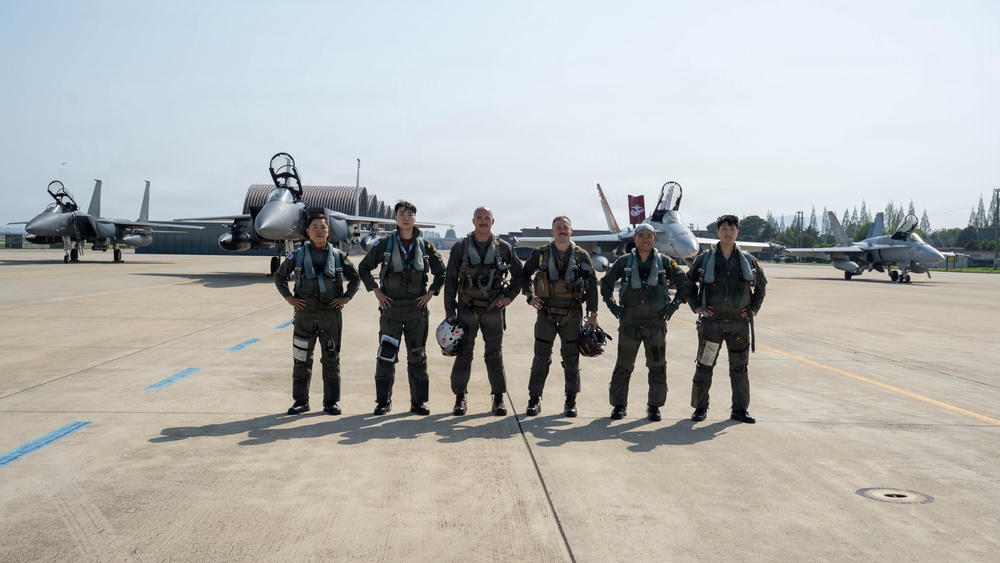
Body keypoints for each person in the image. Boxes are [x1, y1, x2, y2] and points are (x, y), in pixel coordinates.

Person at [358, 201, 446, 416]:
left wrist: (430, 293)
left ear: (415, 218)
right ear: (395, 218)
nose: (406, 217)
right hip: (391, 311)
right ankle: (383, 402)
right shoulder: (385, 244)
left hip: (416, 311)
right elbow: (364, 268)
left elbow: (441, 272)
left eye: (410, 214)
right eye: (401, 214)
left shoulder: (425, 246)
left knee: (418, 356)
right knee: (386, 356)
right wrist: (376, 291)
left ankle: (418, 403)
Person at [600, 223, 691, 421]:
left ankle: (654, 406)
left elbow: (685, 285)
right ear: (634, 239)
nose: (645, 239)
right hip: (629, 325)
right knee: (623, 366)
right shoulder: (623, 262)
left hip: (655, 325)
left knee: (657, 365)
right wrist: (613, 306)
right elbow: (606, 284)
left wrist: (673, 306)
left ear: (654, 238)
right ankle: (619, 405)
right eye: (641, 235)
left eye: (649, 235)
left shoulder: (665, 262)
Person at [274, 213, 360, 416]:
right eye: (315, 227)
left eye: (323, 227)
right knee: (301, 359)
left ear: (328, 231)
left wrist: (346, 297)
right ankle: (301, 401)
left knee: (331, 359)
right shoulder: (296, 255)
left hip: (331, 316)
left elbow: (355, 279)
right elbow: (279, 276)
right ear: (307, 232)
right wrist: (289, 298)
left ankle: (331, 402)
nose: (319, 231)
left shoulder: (339, 255)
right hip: (304, 315)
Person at [686, 214, 767, 424]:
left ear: (737, 232)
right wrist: (697, 307)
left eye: (732, 229)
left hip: (739, 324)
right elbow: (687, 285)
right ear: (718, 232)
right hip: (711, 324)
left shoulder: (749, 260)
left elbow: (761, 287)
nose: (728, 233)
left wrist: (754, 310)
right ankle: (700, 408)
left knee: (739, 368)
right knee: (704, 366)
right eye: (724, 229)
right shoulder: (704, 259)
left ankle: (739, 410)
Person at [444, 206, 524, 416]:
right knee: (463, 354)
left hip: (493, 310)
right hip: (466, 309)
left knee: (494, 355)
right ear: (473, 221)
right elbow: (450, 280)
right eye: (479, 218)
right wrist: (449, 311)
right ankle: (460, 398)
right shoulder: (460, 247)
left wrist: (509, 297)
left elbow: (519, 275)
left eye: (486, 218)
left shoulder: (504, 248)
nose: (483, 221)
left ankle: (498, 398)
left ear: (492, 221)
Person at [520, 215, 600, 417]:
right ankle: (534, 399)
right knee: (540, 358)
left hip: (572, 314)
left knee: (571, 359)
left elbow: (591, 287)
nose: (562, 231)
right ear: (552, 231)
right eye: (558, 228)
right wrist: (529, 297)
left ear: (571, 231)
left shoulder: (582, 256)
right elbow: (523, 275)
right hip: (546, 313)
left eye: (565, 227)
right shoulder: (540, 254)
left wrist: (593, 315)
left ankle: (571, 401)